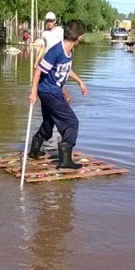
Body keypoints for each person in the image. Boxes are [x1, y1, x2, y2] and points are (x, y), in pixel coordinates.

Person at [28, 19, 88, 169]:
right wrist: (33, 92)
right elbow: (38, 70)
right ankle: (65, 161)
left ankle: (34, 151)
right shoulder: (56, 51)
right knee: (71, 123)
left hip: (50, 91)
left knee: (49, 122)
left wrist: (79, 81)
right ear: (79, 36)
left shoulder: (68, 51)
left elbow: (66, 69)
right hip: (50, 91)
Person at [34, 12, 72, 104]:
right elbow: (42, 47)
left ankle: (67, 98)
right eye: (48, 21)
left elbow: (66, 44)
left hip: (58, 59)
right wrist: (36, 61)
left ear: (55, 21)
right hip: (48, 60)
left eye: (51, 21)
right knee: (45, 80)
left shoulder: (60, 31)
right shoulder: (44, 33)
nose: (49, 23)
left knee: (57, 81)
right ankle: (47, 97)